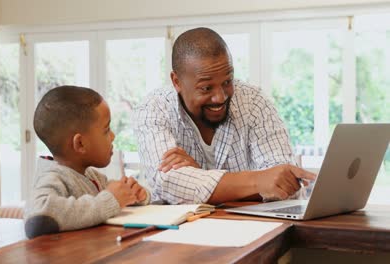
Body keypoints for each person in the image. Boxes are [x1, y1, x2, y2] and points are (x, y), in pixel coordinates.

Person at [134, 27, 315, 205]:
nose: (220, 97)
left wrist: (199, 176)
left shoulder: (254, 102)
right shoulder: (154, 109)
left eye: (227, 81)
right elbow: (168, 184)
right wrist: (258, 181)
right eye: (206, 88)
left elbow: (284, 186)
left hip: (255, 229)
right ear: (177, 81)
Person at [24, 86, 150, 239]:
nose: (113, 136)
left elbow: (108, 198)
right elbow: (37, 219)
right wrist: (110, 201)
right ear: (80, 144)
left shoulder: (92, 176)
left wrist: (134, 195)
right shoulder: (53, 177)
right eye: (106, 130)